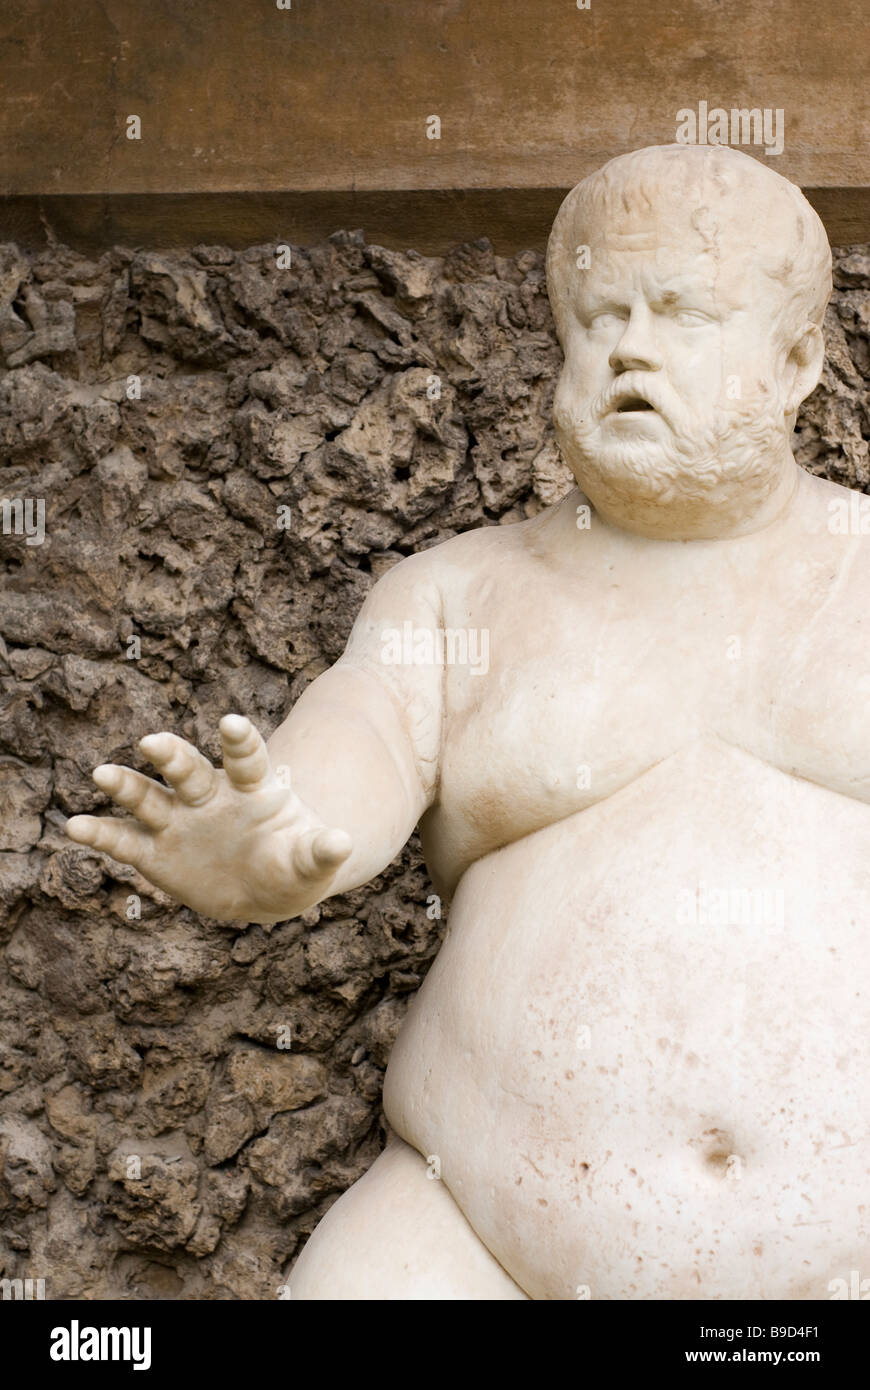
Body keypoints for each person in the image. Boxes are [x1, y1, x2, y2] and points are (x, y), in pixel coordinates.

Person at [68, 145, 869, 1300]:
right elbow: (361, 741)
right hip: (477, 1235)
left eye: (683, 314)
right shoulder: (461, 594)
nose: (629, 348)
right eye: (598, 317)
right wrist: (273, 832)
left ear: (796, 362)